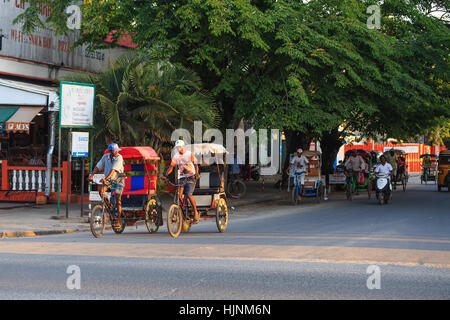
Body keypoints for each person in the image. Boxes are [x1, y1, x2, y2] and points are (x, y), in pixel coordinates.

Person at [162, 140, 201, 224]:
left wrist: (197, 174)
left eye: (180, 147)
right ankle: (180, 210)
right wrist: (165, 175)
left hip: (191, 177)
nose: (179, 148)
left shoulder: (189, 154)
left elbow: (196, 164)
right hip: (182, 177)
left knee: (188, 194)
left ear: (183, 146)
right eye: (177, 147)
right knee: (178, 194)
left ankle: (195, 212)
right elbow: (171, 168)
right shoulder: (176, 156)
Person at [88, 143, 125, 225]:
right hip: (108, 180)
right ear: (110, 151)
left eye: (116, 151)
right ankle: (110, 206)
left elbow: (113, 170)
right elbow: (98, 166)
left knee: (117, 199)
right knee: (101, 192)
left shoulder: (119, 158)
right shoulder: (105, 157)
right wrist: (92, 175)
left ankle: (118, 220)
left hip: (118, 180)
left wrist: (105, 179)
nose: (116, 152)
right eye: (114, 151)